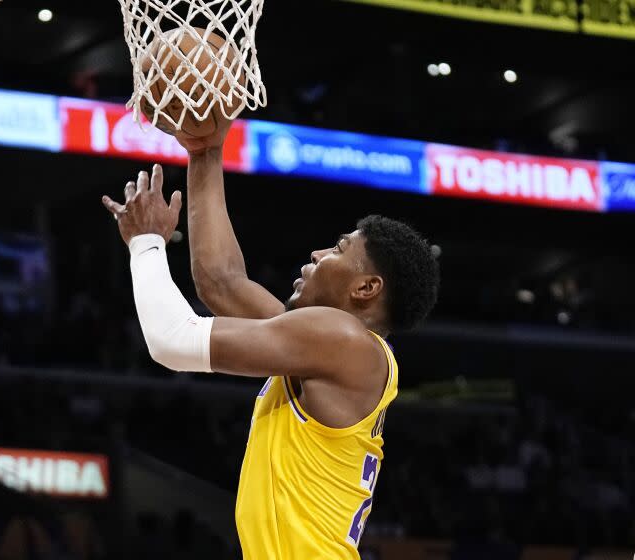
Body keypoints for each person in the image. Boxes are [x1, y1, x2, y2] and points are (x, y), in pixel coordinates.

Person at [101, 123, 439, 559]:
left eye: (338, 249)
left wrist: (145, 244)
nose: (318, 255)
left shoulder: (344, 341)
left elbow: (172, 341)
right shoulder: (329, 347)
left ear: (366, 289)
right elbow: (221, 283)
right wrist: (205, 151)